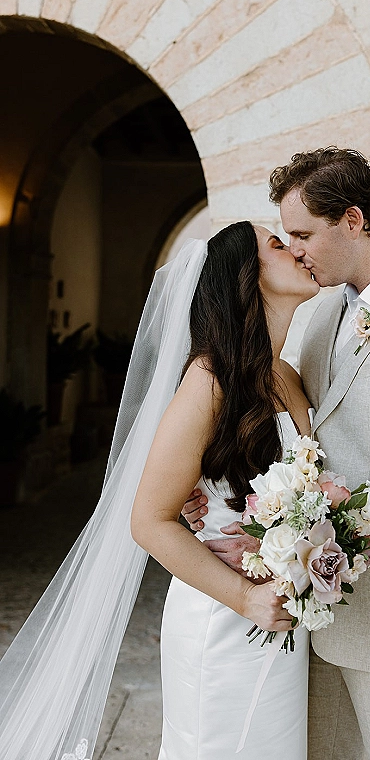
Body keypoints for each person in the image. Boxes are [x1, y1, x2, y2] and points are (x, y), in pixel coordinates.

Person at [184, 148, 370, 760]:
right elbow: (295, 435)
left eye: (303, 233)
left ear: (352, 220)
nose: (293, 249)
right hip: (312, 629)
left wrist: (302, 533)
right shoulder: (325, 308)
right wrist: (228, 500)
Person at [0, 221, 318, 760]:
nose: (294, 250)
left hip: (285, 619)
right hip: (225, 618)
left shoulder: (285, 375)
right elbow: (148, 519)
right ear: (246, 276)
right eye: (276, 244)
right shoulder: (209, 381)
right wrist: (245, 596)